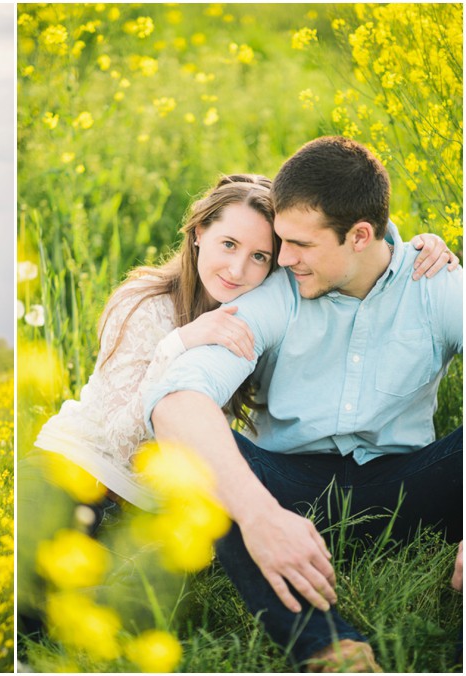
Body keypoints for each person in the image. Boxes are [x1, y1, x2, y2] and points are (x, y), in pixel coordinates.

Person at [17, 174, 455, 636]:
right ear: (198, 233)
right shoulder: (144, 303)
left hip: (157, 508)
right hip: (76, 471)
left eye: (259, 256)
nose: (237, 269)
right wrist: (179, 343)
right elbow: (122, 440)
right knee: (24, 598)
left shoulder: (261, 311)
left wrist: (412, 248)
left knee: (136, 611)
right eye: (228, 243)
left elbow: (341, 242)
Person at [146, 136, 462, 671]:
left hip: (410, 486)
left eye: (301, 245)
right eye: (281, 241)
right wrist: (260, 515)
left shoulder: (435, 284)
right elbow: (176, 401)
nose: (283, 258)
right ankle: (329, 647)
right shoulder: (279, 291)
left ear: (361, 235)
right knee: (205, 458)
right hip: (292, 489)